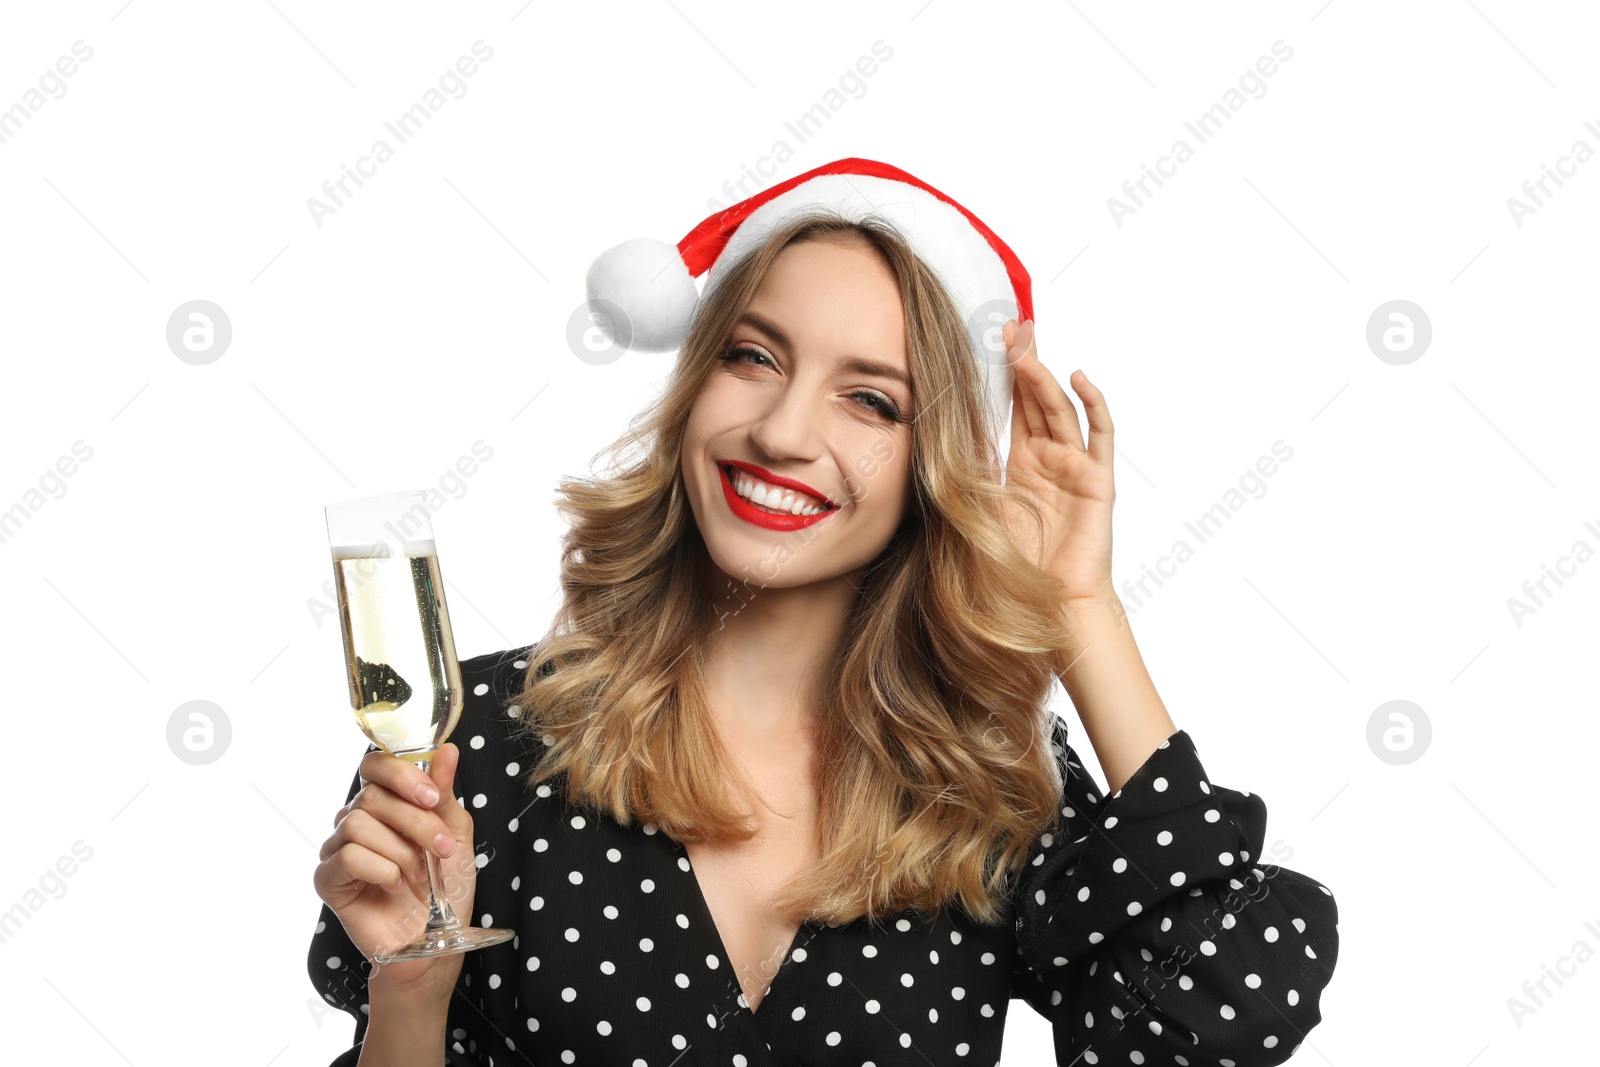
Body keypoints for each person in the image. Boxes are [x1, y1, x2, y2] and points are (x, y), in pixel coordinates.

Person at [308, 158, 1339, 1066]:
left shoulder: (989, 781)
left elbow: (1229, 1007)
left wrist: (1077, 605)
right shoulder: (486, 735)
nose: (782, 430)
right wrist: (408, 983)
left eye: (872, 400)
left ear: (934, 467)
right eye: (752, 356)